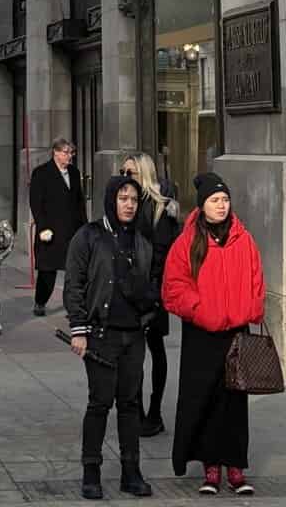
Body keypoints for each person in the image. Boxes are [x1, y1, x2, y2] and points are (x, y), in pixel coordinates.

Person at [162, 173, 265, 496]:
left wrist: (249, 309)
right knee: (204, 401)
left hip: (235, 332)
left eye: (225, 200)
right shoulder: (187, 242)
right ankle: (211, 469)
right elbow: (173, 288)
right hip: (201, 335)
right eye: (215, 201)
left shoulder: (243, 239)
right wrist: (200, 310)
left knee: (234, 402)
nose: (221, 206)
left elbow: (256, 280)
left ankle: (235, 468)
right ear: (203, 206)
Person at [65, 173, 158, 501]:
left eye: (134, 200)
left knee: (130, 404)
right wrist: (79, 329)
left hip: (134, 335)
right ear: (111, 200)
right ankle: (91, 471)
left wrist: (149, 309)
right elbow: (74, 284)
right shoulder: (89, 236)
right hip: (100, 334)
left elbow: (155, 282)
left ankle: (131, 472)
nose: (129, 205)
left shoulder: (143, 241)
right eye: (123, 199)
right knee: (100, 403)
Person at [121, 151, 181, 437]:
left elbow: (164, 251)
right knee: (133, 352)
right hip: (131, 289)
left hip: (154, 290)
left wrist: (154, 291)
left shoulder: (160, 208)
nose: (125, 177)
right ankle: (138, 411)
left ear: (143, 173)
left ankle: (154, 411)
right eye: (122, 171)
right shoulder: (125, 204)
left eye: (130, 172)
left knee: (154, 349)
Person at [30, 137, 87, 316]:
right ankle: (40, 301)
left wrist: (84, 227)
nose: (70, 156)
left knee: (74, 271)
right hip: (51, 231)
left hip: (72, 230)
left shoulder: (75, 173)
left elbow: (79, 202)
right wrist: (43, 227)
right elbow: (36, 203)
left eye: (71, 153)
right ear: (55, 152)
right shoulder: (41, 173)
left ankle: (73, 305)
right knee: (48, 270)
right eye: (66, 152)